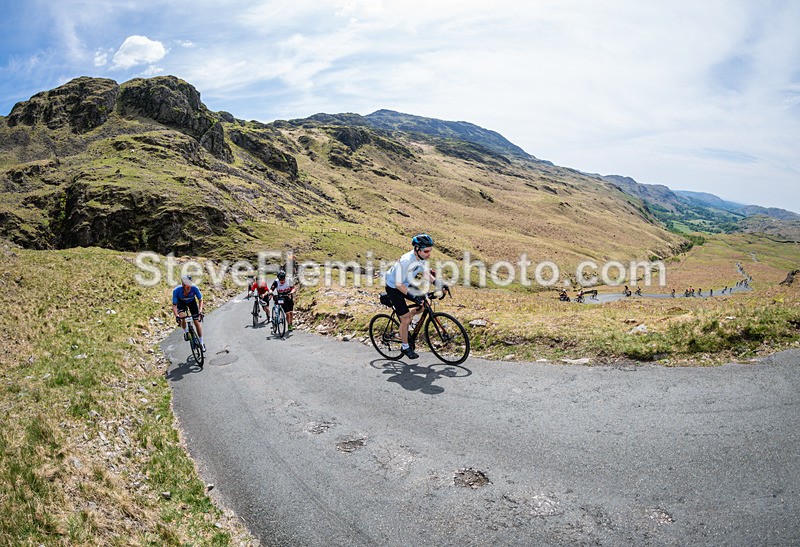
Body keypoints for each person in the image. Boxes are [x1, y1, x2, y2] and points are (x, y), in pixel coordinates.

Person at [384, 233, 436, 359]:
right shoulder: (406, 261)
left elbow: (425, 273)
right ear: (417, 249)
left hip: (406, 283)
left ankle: (408, 321)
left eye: (430, 251)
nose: (429, 254)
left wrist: (438, 283)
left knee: (426, 303)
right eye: (426, 251)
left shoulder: (421, 258)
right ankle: (405, 346)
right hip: (394, 287)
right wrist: (414, 296)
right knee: (405, 318)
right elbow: (398, 285)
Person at [172, 275, 205, 351]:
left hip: (192, 302)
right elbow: (174, 306)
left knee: (196, 322)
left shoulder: (195, 288)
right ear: (182, 285)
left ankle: (201, 343)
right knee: (182, 318)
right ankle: (186, 331)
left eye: (189, 285)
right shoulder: (176, 291)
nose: (188, 287)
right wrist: (177, 316)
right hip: (181, 303)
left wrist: (200, 311)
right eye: (186, 285)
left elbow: (200, 300)